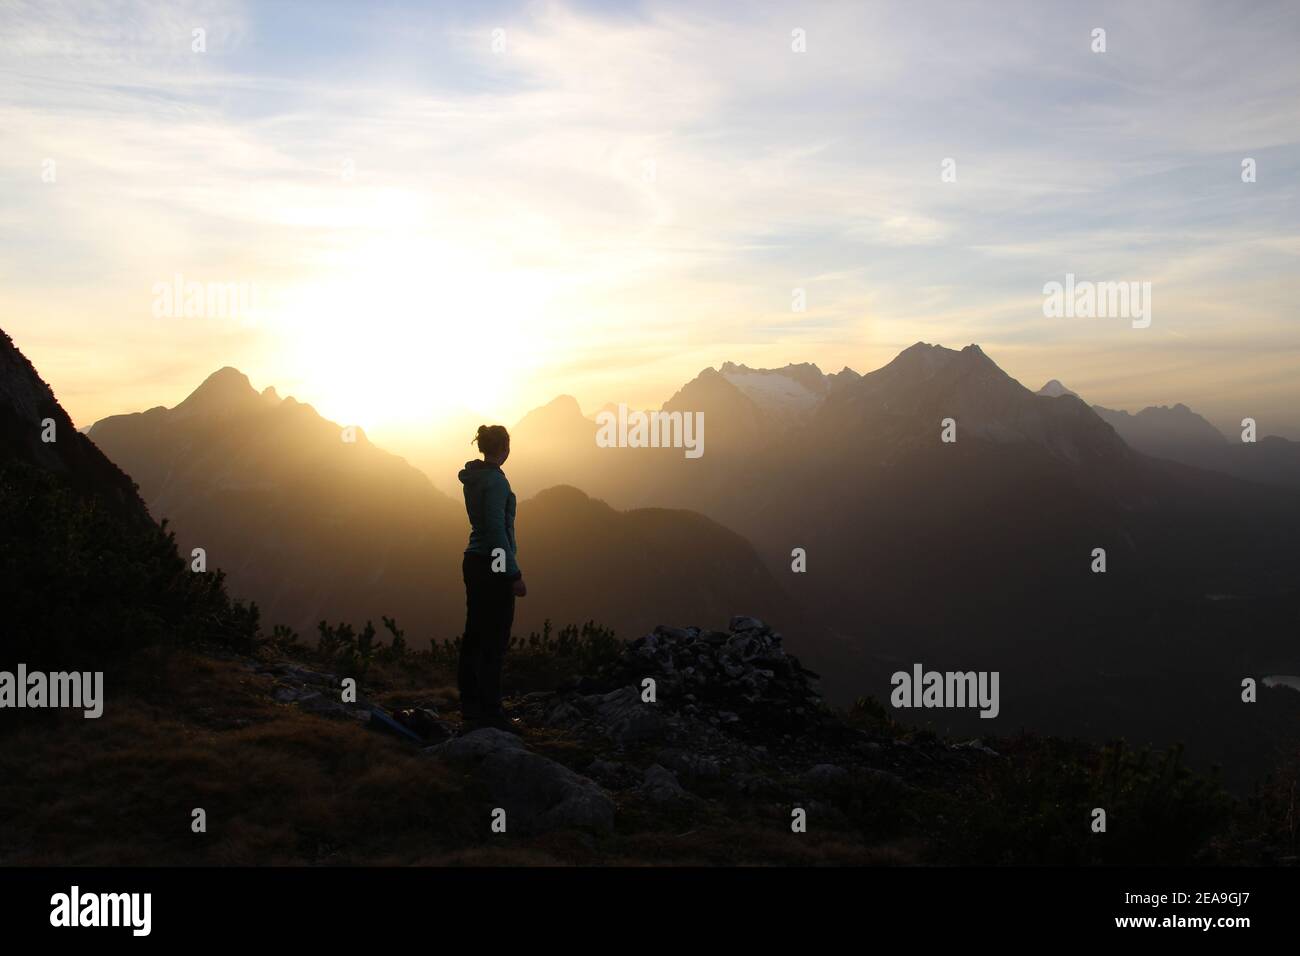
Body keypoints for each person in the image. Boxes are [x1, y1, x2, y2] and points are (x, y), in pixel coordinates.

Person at [457, 424, 526, 732]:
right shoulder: (496, 482)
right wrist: (513, 574)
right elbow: (497, 530)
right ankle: (492, 712)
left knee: (474, 635)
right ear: (505, 449)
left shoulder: (473, 478)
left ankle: (471, 707)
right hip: (492, 563)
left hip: (473, 561)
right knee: (495, 639)